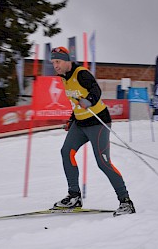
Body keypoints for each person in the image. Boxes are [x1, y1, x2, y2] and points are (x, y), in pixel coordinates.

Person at [50, 46, 135, 216]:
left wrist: (88, 101)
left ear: (67, 60)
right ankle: (74, 196)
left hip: (98, 123)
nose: (55, 66)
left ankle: (126, 201)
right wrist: (71, 119)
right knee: (66, 152)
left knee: (103, 163)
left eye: (58, 61)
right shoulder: (63, 78)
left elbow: (96, 91)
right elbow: (75, 102)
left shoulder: (81, 73)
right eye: (53, 62)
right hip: (80, 124)